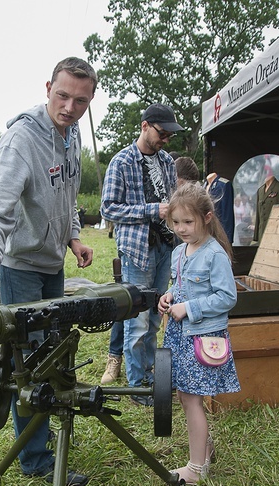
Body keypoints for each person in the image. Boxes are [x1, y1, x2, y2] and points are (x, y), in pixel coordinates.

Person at [0, 56, 96, 486]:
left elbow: (67, 195)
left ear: (89, 100)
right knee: (31, 365)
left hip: (52, 266)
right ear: (47, 87)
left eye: (80, 100)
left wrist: (73, 237)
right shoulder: (19, 141)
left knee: (56, 354)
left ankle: (51, 432)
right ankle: (36, 459)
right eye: (62, 96)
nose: (69, 107)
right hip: (18, 266)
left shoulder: (73, 133)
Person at [157, 182, 239, 485]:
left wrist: (189, 307)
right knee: (184, 395)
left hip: (201, 337)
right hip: (180, 335)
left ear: (206, 217)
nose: (181, 228)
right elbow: (181, 286)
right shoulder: (180, 250)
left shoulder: (214, 254)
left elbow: (227, 297)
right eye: (175, 222)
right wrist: (168, 296)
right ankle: (204, 448)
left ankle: (196, 468)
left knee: (191, 399)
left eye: (187, 222)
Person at [100, 103, 183, 403]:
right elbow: (107, 208)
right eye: (162, 133)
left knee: (155, 316)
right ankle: (137, 386)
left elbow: (172, 200)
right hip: (136, 250)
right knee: (137, 319)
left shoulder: (167, 163)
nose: (165, 140)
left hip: (165, 247)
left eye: (169, 136)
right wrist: (152, 210)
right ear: (145, 126)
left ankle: (149, 375)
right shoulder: (121, 162)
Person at [252, 170, 279, 244]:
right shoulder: (260, 191)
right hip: (262, 234)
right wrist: (256, 235)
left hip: (276, 233)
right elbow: (258, 215)